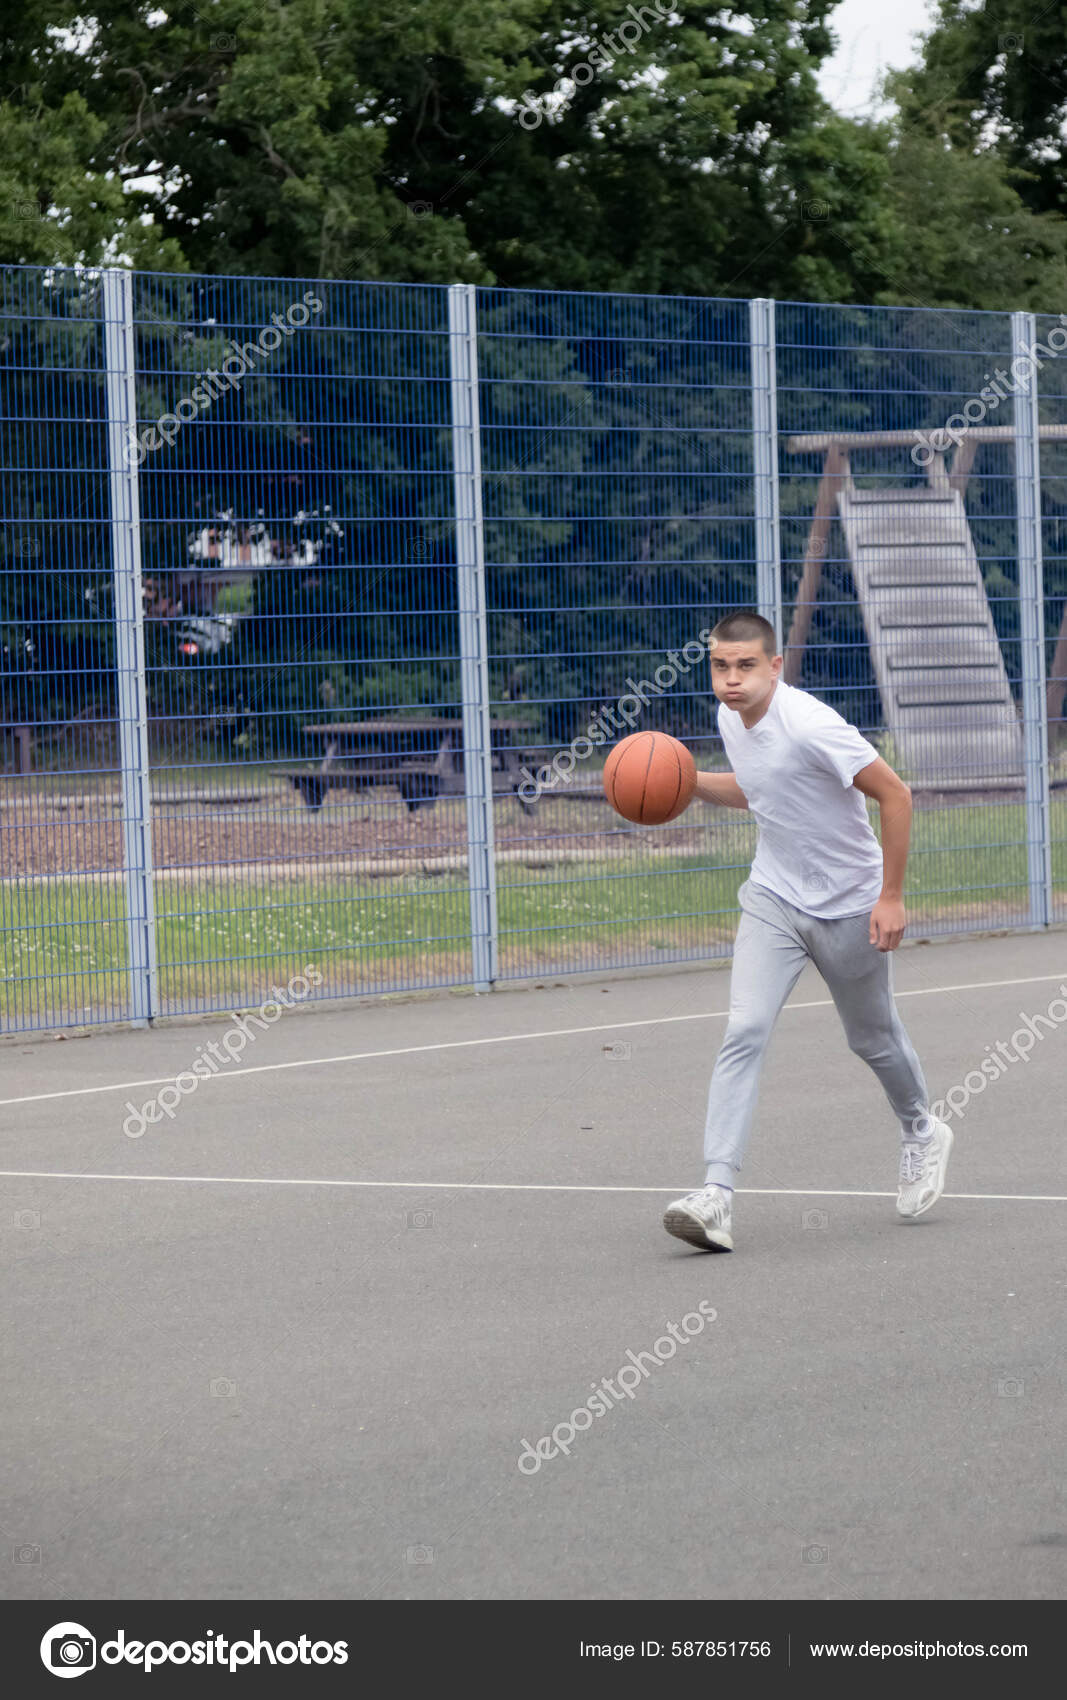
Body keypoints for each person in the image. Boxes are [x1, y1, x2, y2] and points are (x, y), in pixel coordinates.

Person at [663, 610, 951, 1253]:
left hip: (850, 902)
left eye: (744, 666)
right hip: (774, 896)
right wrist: (687, 782)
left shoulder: (813, 725)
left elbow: (896, 795)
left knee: (872, 1039)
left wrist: (892, 896)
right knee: (744, 1029)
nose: (731, 679)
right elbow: (759, 788)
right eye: (719, 665)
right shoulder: (728, 719)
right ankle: (716, 1196)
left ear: (774, 666)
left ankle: (922, 1132)